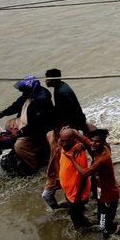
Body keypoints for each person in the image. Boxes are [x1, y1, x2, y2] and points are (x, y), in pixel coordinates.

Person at [69, 128, 120, 240]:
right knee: (103, 219)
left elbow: (85, 173)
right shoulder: (100, 147)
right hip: (102, 192)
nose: (93, 144)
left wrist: (72, 159)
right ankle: (106, 237)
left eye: (97, 142)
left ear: (103, 142)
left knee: (104, 225)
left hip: (109, 196)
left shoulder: (103, 159)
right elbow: (85, 140)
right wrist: (72, 131)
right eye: (92, 141)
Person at [41, 68, 89, 209]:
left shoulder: (63, 92)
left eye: (48, 79)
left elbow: (69, 112)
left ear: (54, 79)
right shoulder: (59, 88)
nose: (46, 81)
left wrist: (70, 129)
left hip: (74, 123)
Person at [0, 75, 55, 172]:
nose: (23, 92)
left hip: (38, 128)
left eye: (24, 90)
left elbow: (36, 123)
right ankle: (21, 152)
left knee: (19, 145)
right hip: (26, 120)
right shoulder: (28, 94)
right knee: (8, 124)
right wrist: (3, 113)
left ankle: (33, 166)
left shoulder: (41, 100)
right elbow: (16, 105)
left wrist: (20, 132)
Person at [55, 128, 93, 229]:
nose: (65, 143)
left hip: (76, 194)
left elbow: (84, 176)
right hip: (69, 191)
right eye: (63, 140)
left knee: (75, 218)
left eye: (67, 140)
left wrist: (77, 198)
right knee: (77, 213)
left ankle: (90, 229)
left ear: (73, 139)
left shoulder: (78, 152)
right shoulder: (64, 147)